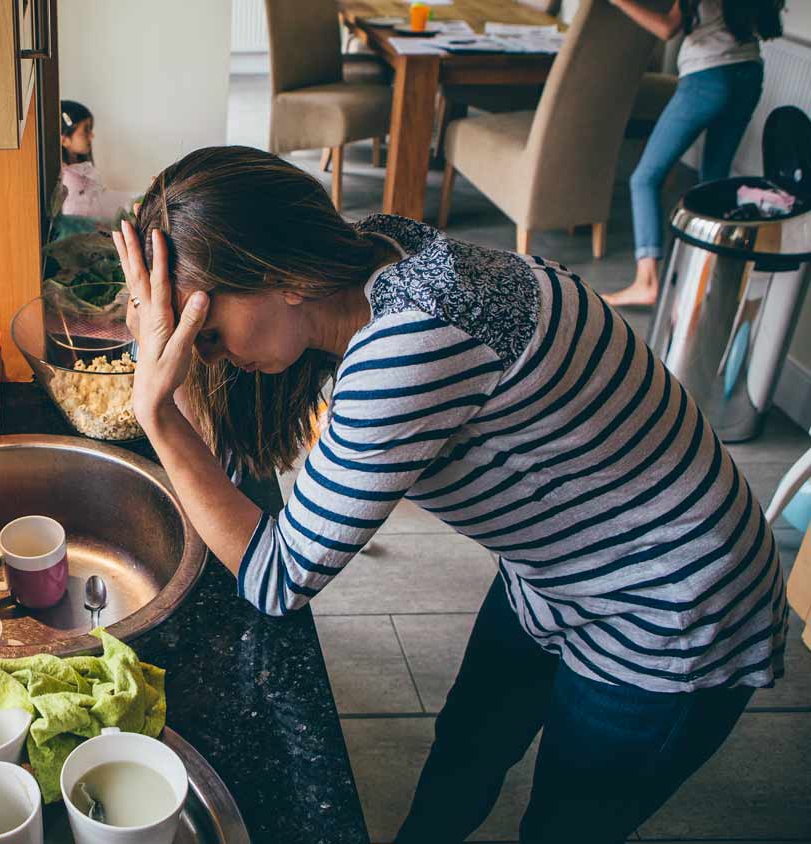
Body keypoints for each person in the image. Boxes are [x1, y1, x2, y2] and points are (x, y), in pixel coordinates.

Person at [113, 146, 786, 842]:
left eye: (207, 333)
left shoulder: (408, 346)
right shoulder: (382, 251)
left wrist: (157, 411)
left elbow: (275, 576)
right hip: (556, 572)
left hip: (670, 607)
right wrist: (155, 349)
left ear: (285, 276)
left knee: (566, 823)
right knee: (468, 744)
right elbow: (222, 465)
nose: (206, 356)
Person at [604, 0, 785, 307]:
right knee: (714, 179)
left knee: (645, 178)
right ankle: (713, 278)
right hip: (749, 71)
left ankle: (646, 281)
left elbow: (667, 27)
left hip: (708, 77)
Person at [59, 100, 132, 221]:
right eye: (86, 130)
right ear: (65, 140)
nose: (92, 136)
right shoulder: (69, 179)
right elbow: (77, 217)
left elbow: (100, 199)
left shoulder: (81, 169)